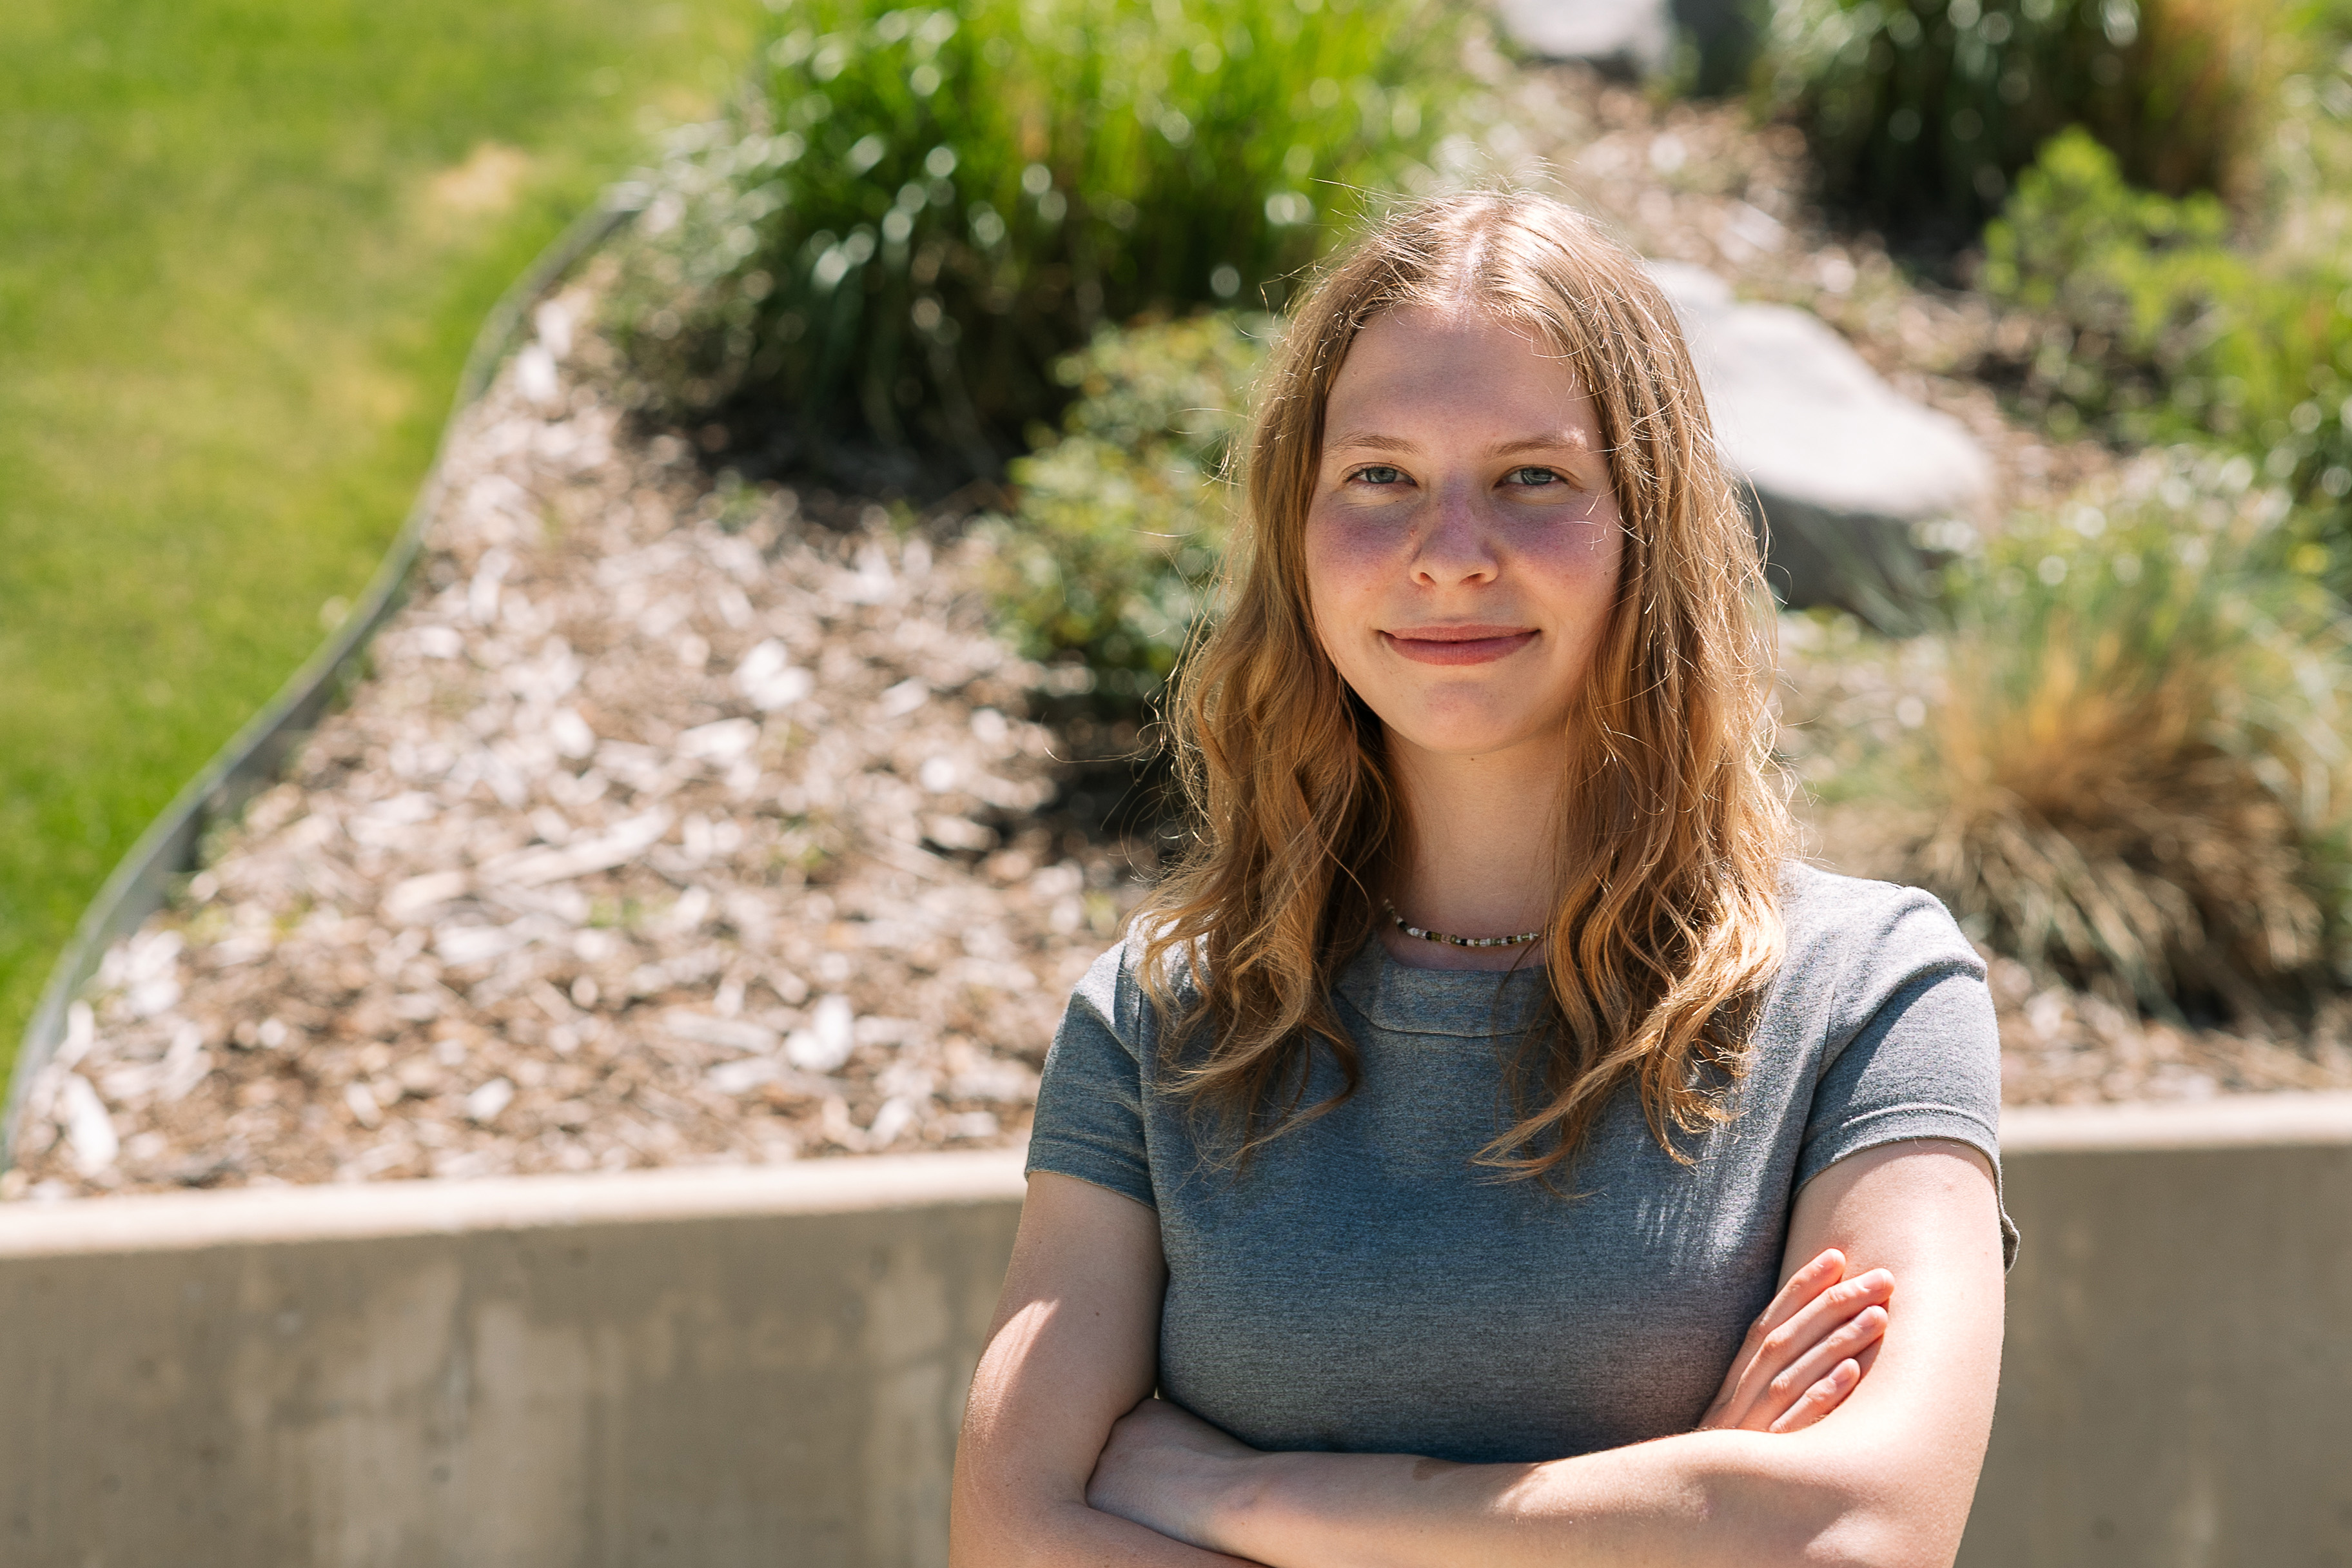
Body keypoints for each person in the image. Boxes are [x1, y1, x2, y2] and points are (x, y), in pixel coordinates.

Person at [948, 190, 2014, 1567]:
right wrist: (1682, 1507)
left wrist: (1249, 1499)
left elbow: (1860, 1536)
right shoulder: (1162, 1021)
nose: (1450, 550)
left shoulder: (1867, 996)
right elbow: (1012, 1533)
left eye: (1532, 478)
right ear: (1298, 528)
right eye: (1380, 476)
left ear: (1651, 524)